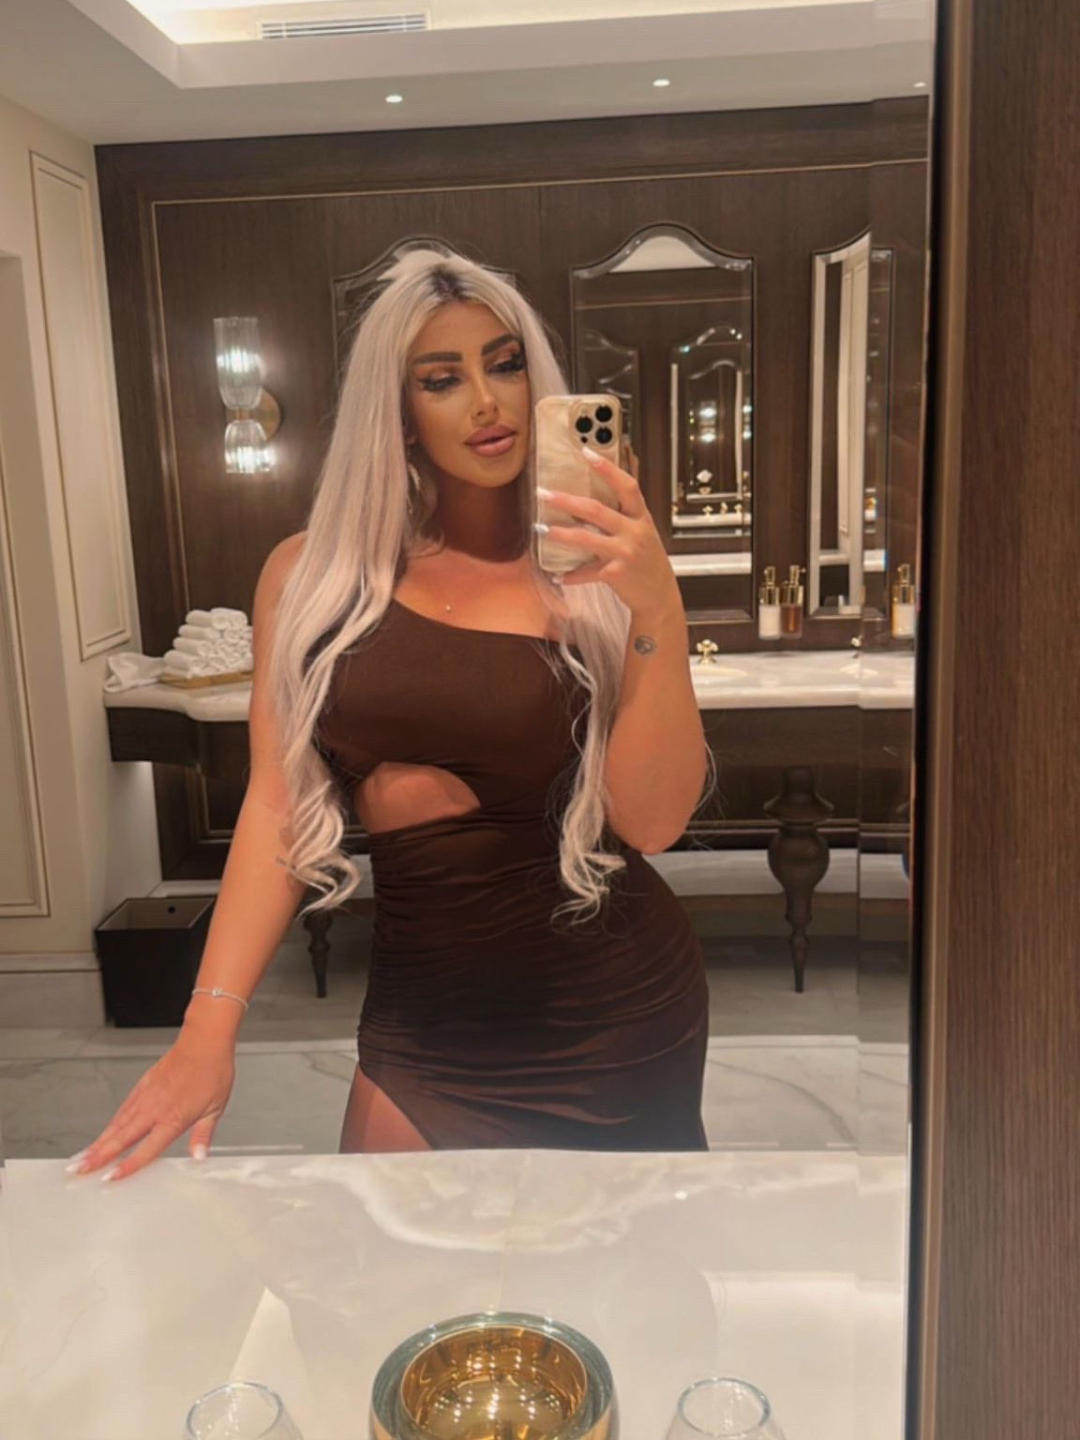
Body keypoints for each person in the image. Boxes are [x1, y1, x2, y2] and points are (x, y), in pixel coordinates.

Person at [67, 247, 717, 1183]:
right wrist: (208, 1027)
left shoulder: (593, 577)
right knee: (379, 1262)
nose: (486, 402)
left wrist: (658, 611)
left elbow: (651, 823)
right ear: (399, 413)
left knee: (609, 1266)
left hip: (611, 1014)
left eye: (505, 364)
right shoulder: (313, 576)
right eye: (442, 379)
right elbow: (278, 805)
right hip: (423, 1025)